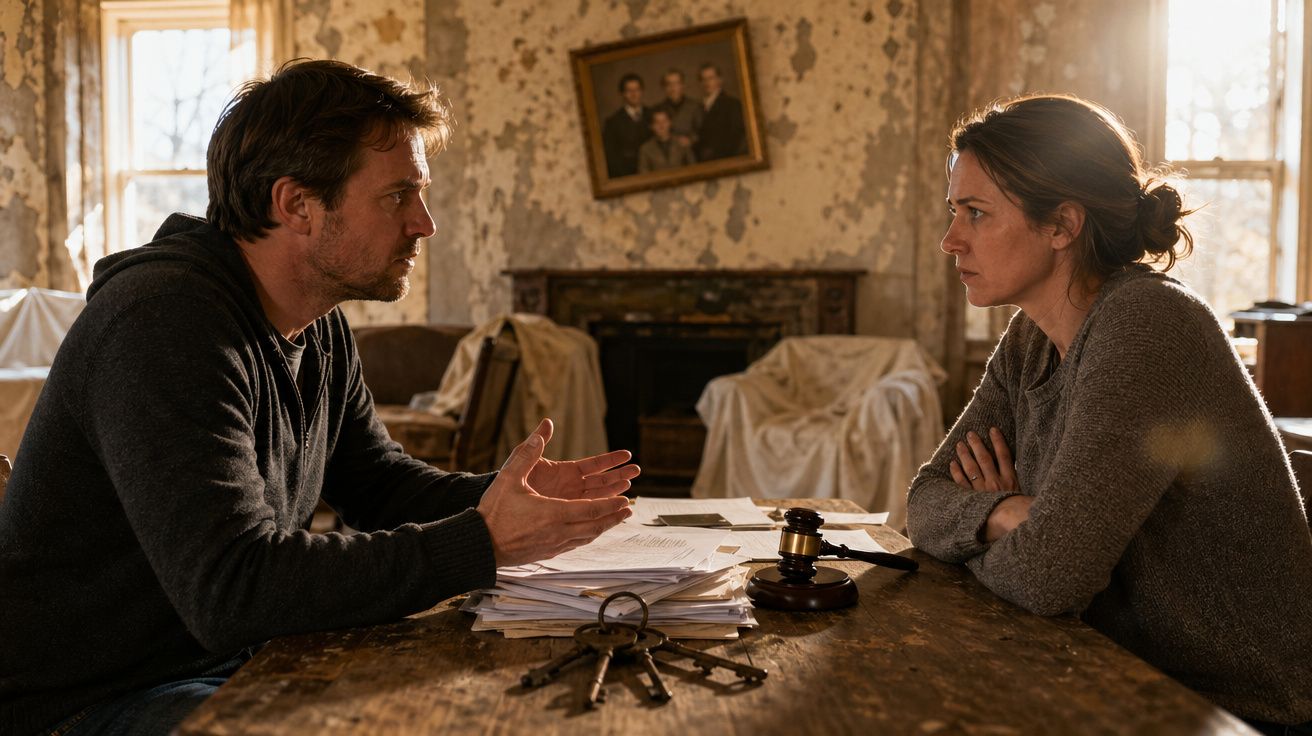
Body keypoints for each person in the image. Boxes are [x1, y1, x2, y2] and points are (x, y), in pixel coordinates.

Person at [0, 59, 640, 736]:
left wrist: (526, 502)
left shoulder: (318, 322)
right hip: (87, 702)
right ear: (297, 205)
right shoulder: (161, 322)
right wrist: (481, 540)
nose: (424, 224)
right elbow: (236, 588)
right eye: (398, 196)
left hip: (226, 660)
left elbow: (379, 486)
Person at [905, 94, 1312, 732]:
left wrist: (1009, 537)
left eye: (976, 214)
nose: (949, 240)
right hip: (1097, 669)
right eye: (955, 211)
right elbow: (924, 501)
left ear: (1063, 225)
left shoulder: (1147, 323)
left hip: (1225, 713)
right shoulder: (1030, 338)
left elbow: (1049, 578)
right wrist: (1008, 513)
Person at [601, 72, 651, 178]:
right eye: (629, 91)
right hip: (628, 174)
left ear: (642, 91)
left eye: (637, 90)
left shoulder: (652, 115)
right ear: (622, 93)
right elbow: (611, 157)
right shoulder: (613, 122)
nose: (634, 94)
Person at [694, 63, 746, 162]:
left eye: (711, 78)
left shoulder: (732, 104)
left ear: (720, 80)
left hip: (725, 160)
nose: (707, 83)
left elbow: (737, 137)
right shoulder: (698, 107)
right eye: (703, 79)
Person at [656, 68, 702, 154]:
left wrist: (690, 140)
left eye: (676, 84)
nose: (673, 88)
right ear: (664, 87)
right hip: (668, 154)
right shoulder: (658, 109)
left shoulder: (695, 106)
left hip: (692, 152)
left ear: (682, 85)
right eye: (669, 84)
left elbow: (702, 131)